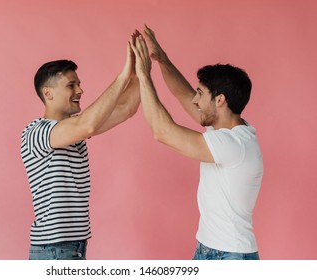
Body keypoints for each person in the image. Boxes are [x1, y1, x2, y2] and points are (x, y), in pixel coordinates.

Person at [131, 25, 263, 260]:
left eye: (200, 93)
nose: (195, 99)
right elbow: (183, 93)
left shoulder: (232, 144)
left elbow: (162, 132)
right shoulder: (227, 128)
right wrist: (162, 59)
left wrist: (144, 75)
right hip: (208, 248)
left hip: (230, 256)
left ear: (220, 100)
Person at [21, 33, 140, 260]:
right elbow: (88, 124)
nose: (80, 91)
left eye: (79, 84)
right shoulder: (36, 132)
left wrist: (138, 71)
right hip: (53, 249)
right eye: (71, 85)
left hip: (73, 246)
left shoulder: (71, 131)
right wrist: (123, 76)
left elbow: (126, 109)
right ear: (48, 93)